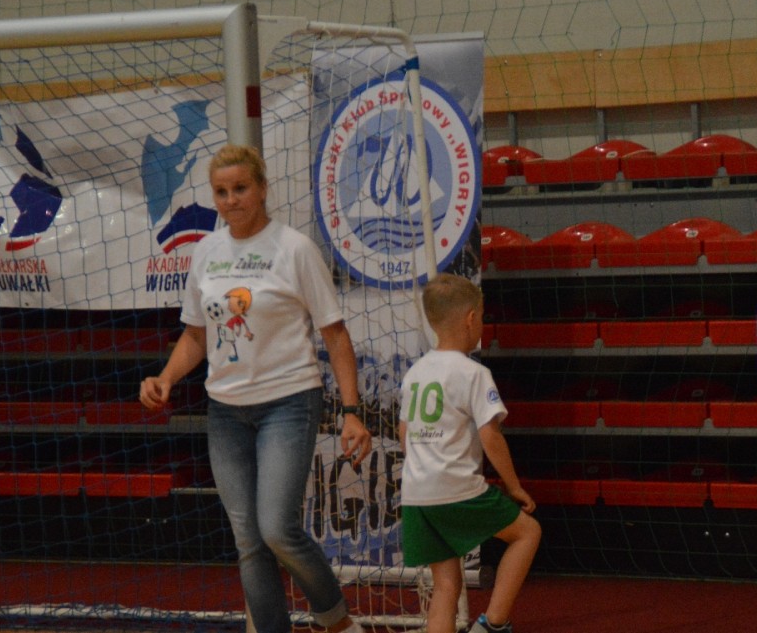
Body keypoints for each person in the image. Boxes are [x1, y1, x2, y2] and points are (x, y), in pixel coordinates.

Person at [139, 143, 371, 633]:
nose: (231, 200)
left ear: (262, 189)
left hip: (289, 403)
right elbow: (196, 334)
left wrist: (352, 411)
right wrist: (166, 377)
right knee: (248, 540)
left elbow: (335, 334)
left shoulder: (295, 249)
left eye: (240, 188)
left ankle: (338, 622)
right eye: (221, 191)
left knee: (276, 529)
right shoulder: (206, 252)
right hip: (225, 411)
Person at [399, 273, 541, 633]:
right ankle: (494, 624)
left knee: (446, 584)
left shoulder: (415, 373)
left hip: (416, 494)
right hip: (455, 489)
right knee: (528, 533)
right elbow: (490, 436)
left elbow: (404, 434)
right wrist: (514, 486)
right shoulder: (473, 373)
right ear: (471, 319)